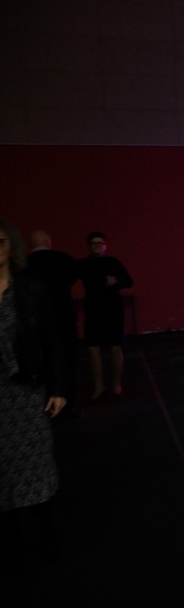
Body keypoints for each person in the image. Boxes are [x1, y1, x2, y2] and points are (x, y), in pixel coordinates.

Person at [0, 218, 68, 569]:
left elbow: (52, 340)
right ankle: (11, 547)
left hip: (25, 390)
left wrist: (58, 388)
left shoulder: (29, 288)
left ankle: (47, 543)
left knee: (36, 466)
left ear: (10, 245)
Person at [25, 230, 79, 415]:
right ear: (48, 242)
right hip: (64, 319)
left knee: (42, 364)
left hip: (37, 323)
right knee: (68, 362)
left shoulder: (24, 263)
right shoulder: (63, 259)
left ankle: (45, 405)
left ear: (30, 244)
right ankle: (67, 405)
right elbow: (75, 275)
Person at [77, 231, 133, 401]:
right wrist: (107, 281)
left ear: (105, 246)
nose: (97, 246)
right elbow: (92, 281)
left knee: (115, 348)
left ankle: (116, 383)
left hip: (112, 310)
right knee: (93, 350)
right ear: (89, 245)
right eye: (94, 243)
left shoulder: (113, 261)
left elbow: (128, 281)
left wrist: (113, 282)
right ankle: (98, 386)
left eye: (100, 243)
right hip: (94, 310)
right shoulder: (84, 264)